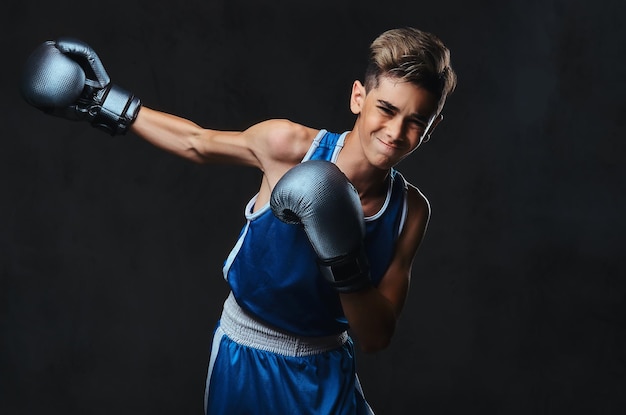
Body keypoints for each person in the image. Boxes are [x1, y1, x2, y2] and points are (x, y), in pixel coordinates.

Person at [20, 26, 456, 414]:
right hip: (247, 356)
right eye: (387, 108)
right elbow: (197, 142)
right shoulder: (288, 146)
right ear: (358, 97)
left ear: (432, 127)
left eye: (417, 121)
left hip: (327, 369)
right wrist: (103, 100)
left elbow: (376, 337)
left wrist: (344, 259)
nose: (397, 132)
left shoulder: (410, 212)